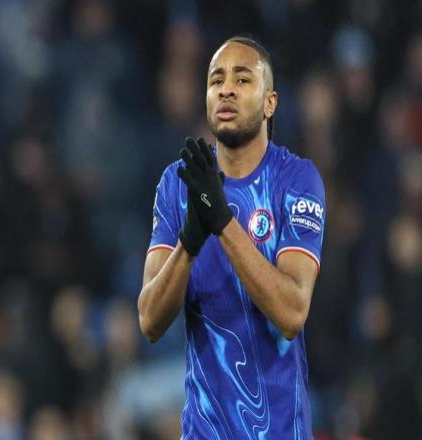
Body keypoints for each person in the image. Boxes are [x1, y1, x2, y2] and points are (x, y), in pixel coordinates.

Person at [138, 35, 326, 439]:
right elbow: (150, 320)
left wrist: (222, 221)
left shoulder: (296, 180)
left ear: (270, 103)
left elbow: (292, 313)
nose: (226, 89)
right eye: (216, 80)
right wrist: (189, 242)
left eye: (242, 79)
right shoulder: (177, 184)